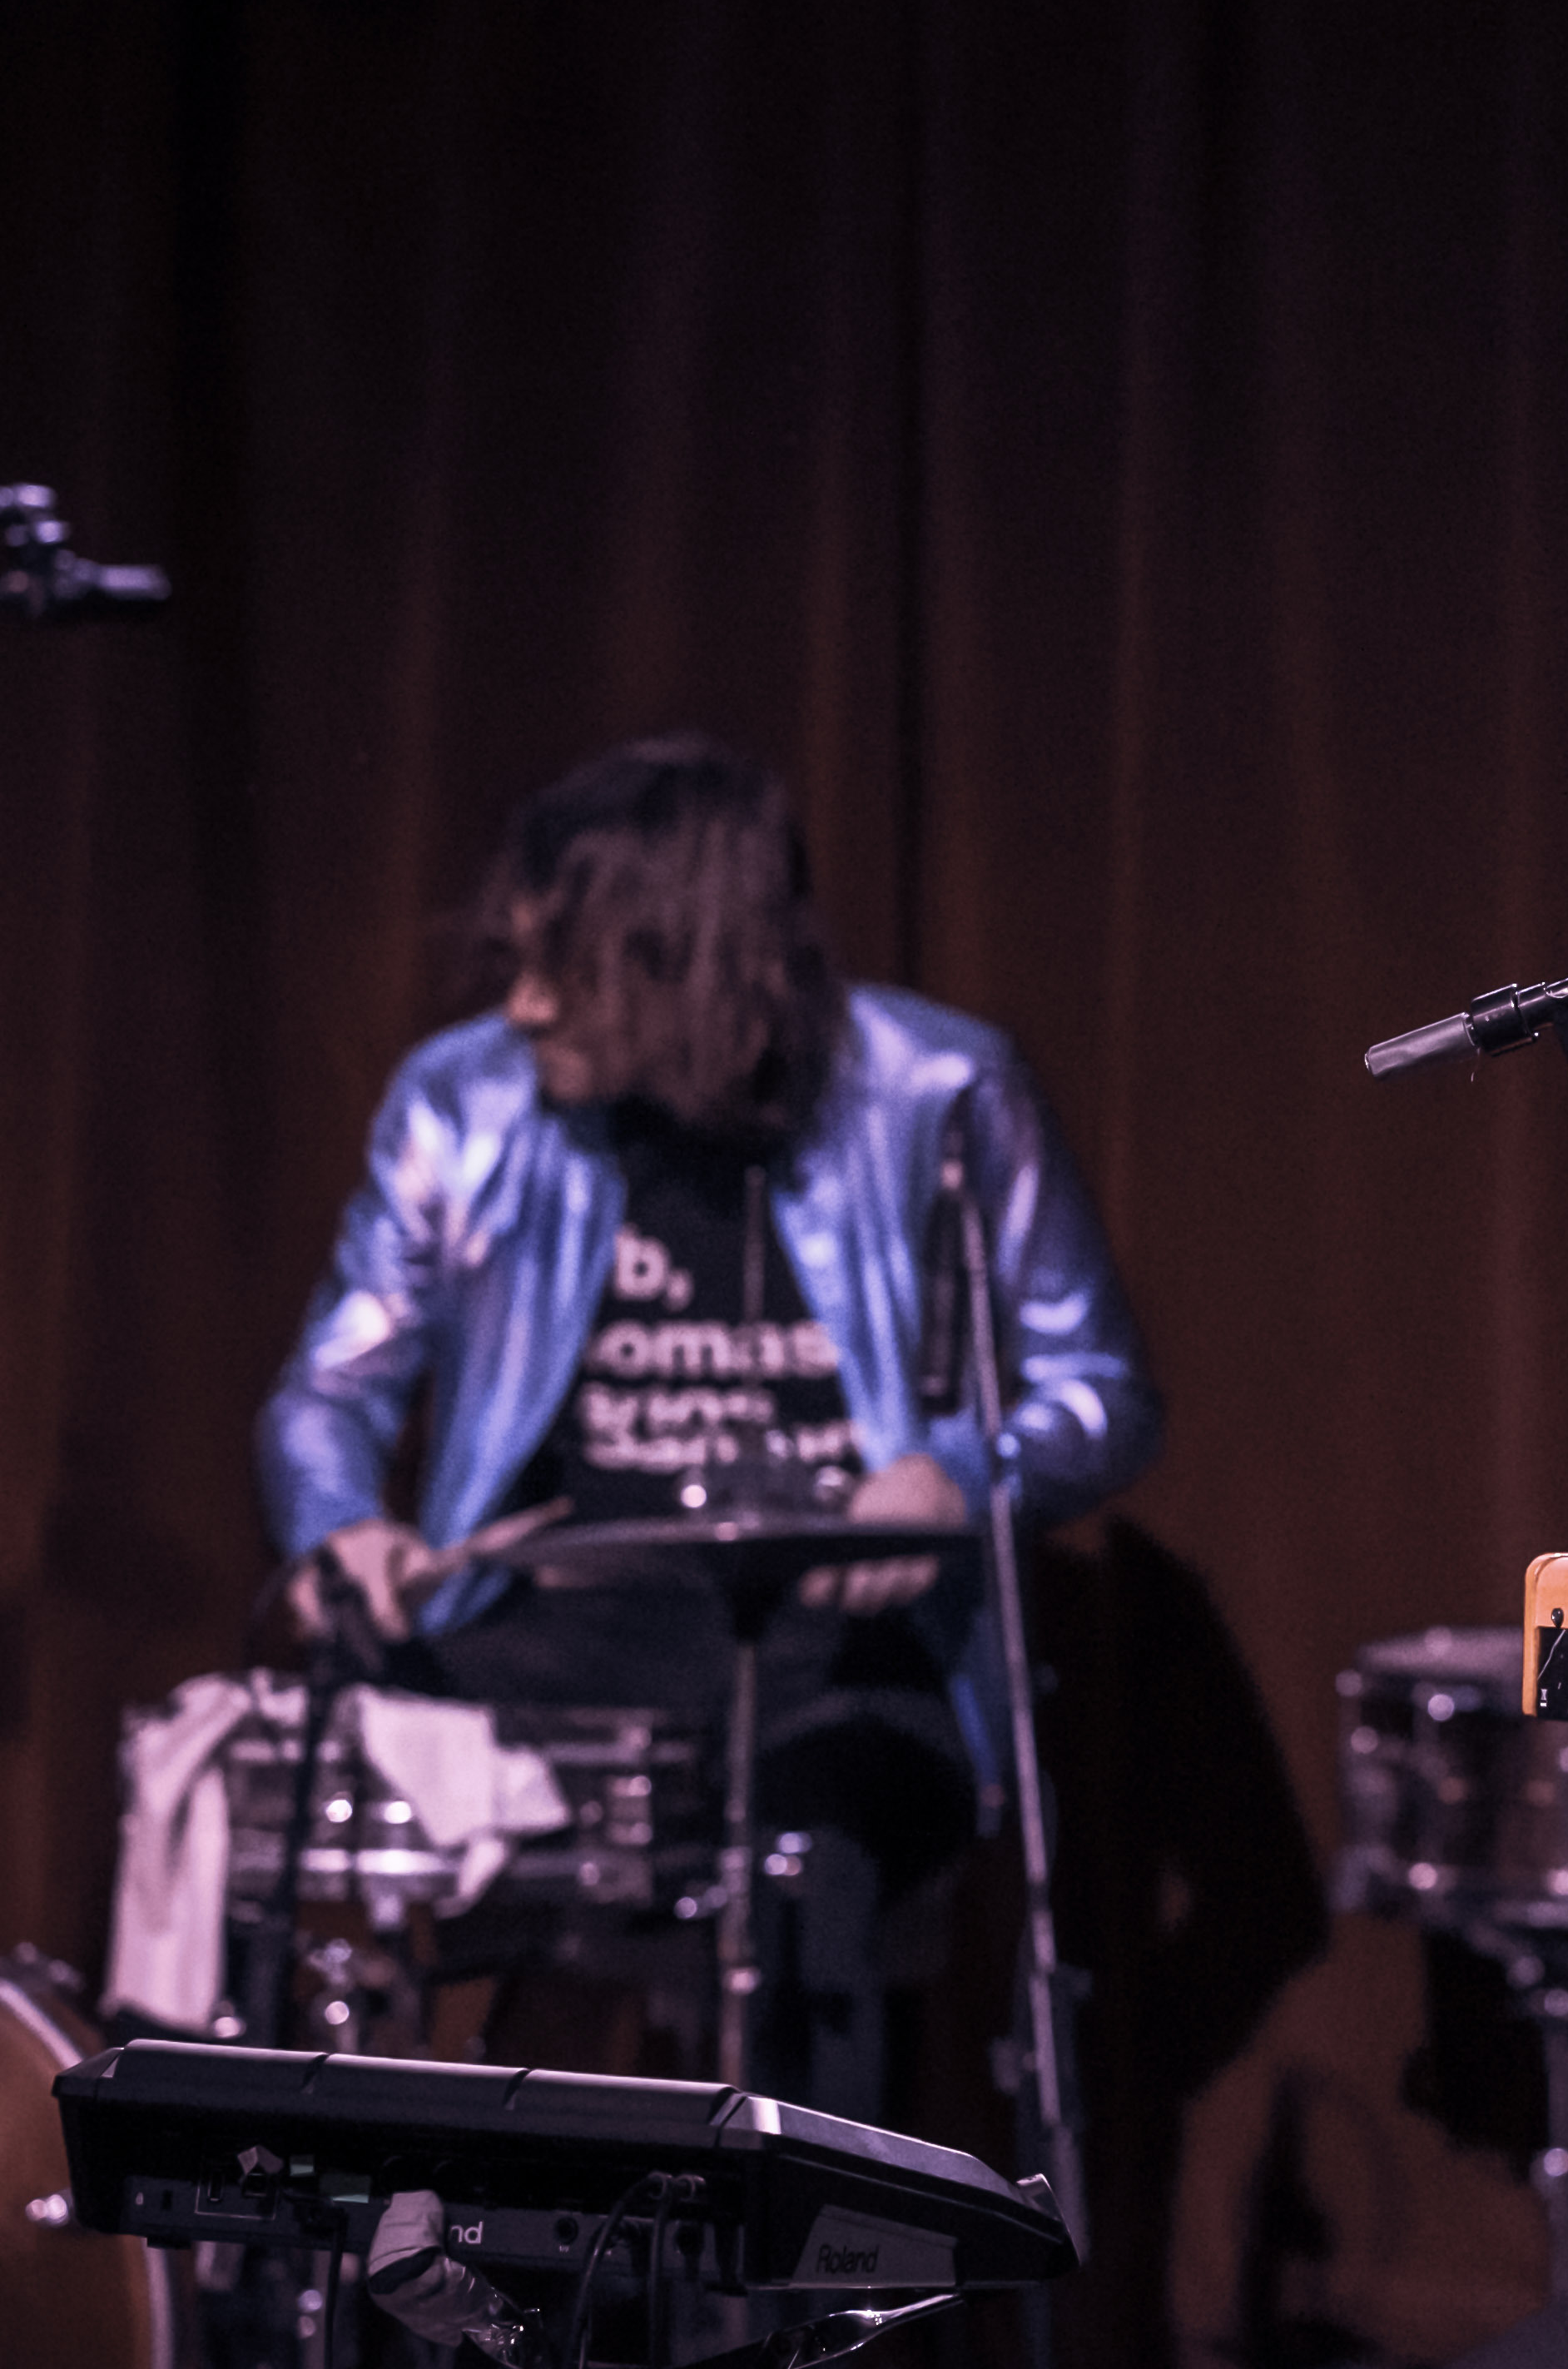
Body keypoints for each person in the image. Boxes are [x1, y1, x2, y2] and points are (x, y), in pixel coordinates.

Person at [257, 733, 1159, 2108]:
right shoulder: (464, 1100)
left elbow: (1100, 1389)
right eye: (518, 963)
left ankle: (792, 2235)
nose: (524, 1007)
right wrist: (339, 1523)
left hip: (841, 1662)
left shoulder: (937, 1089)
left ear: (689, 963)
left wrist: (955, 1476)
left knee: (813, 1882)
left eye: (564, 971)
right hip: (547, 1643)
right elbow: (332, 1384)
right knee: (283, 1801)